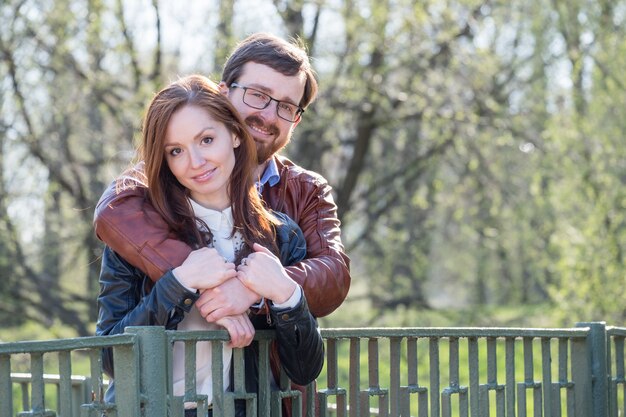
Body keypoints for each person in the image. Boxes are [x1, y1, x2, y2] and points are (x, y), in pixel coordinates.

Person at [96, 75, 324, 417]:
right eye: (176, 151)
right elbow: (112, 358)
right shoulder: (142, 235)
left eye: (206, 139)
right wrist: (180, 283)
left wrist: (284, 293)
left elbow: (305, 369)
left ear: (234, 134)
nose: (196, 162)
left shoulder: (280, 235)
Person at [94, 32, 350, 322]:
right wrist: (210, 285)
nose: (268, 115)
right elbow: (112, 211)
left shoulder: (307, 190)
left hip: (268, 367)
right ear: (223, 92)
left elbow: (334, 274)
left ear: (296, 120)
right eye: (258, 95)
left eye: (286, 107)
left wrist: (252, 290)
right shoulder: (167, 175)